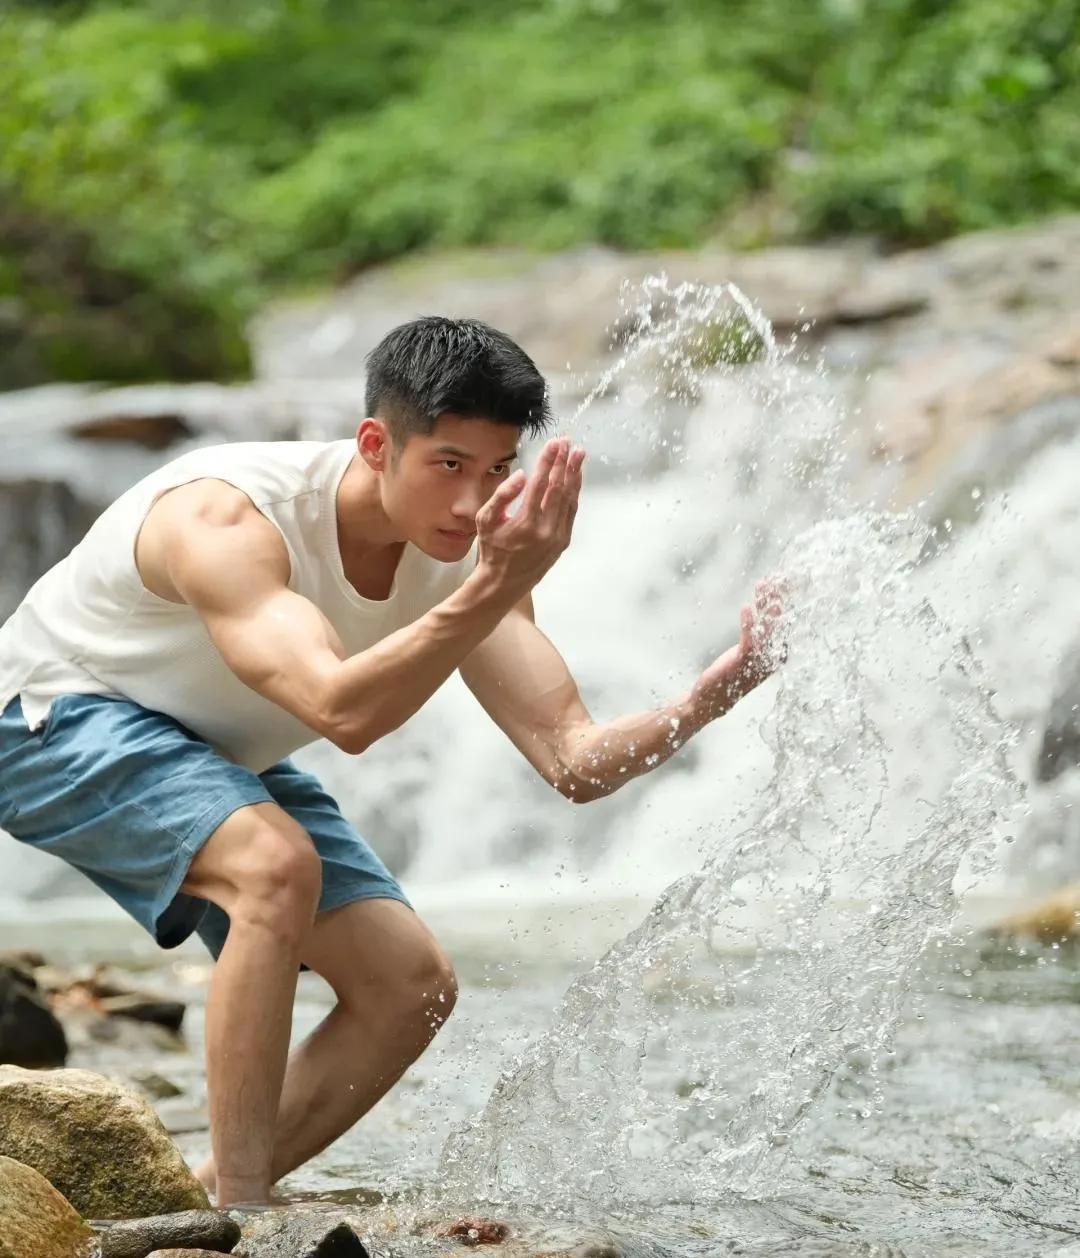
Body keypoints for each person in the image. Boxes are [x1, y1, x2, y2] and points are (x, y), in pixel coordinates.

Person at [0, 317, 780, 1208]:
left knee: (409, 987)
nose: (472, 504)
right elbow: (343, 711)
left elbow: (574, 760)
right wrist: (492, 586)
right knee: (271, 866)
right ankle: (243, 1217)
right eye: (448, 464)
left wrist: (710, 695)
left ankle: (193, 1197)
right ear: (377, 443)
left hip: (211, 749)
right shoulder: (229, 517)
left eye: (495, 472)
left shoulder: (469, 559)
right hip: (46, 715)